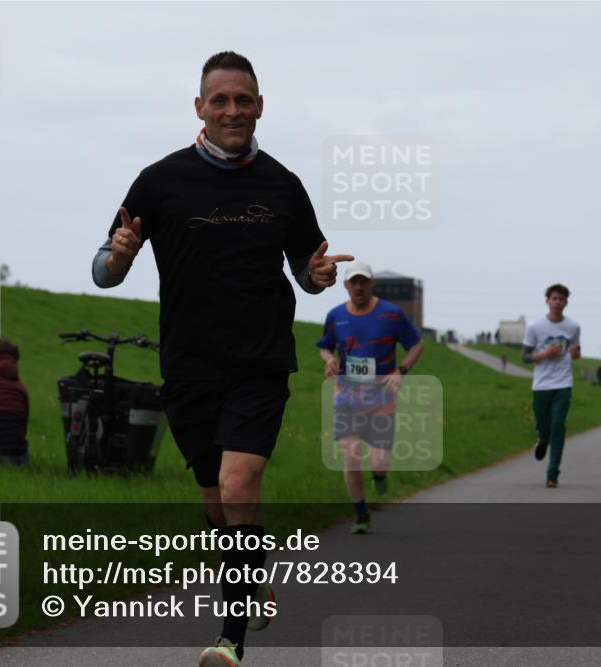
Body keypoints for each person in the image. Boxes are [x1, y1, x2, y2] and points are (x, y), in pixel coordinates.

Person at [90, 51, 351, 667]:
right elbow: (104, 270)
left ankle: (229, 638)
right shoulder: (159, 180)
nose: (233, 110)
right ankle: (250, 568)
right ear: (200, 107)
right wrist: (121, 254)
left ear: (260, 106)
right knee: (214, 498)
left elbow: (307, 273)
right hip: (188, 364)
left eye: (244, 99)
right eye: (221, 100)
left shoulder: (283, 185)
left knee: (239, 484)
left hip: (260, 359)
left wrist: (314, 278)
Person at [317, 261, 424, 535]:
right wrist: (329, 360)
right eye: (354, 282)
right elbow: (325, 347)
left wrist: (401, 371)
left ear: (372, 283)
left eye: (363, 281)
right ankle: (361, 515)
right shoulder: (335, 316)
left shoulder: (391, 314)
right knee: (350, 456)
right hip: (347, 397)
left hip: (381, 399)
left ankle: (380, 475)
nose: (359, 286)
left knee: (378, 461)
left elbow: (416, 343)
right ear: (346, 286)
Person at [522, 284, 581, 488]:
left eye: (561, 299)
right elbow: (525, 356)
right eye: (554, 298)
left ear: (566, 303)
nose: (557, 302)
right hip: (541, 384)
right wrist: (544, 354)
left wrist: (575, 354)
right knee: (544, 425)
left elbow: (576, 350)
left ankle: (552, 473)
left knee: (558, 424)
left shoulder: (573, 327)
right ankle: (542, 439)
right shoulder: (535, 327)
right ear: (547, 300)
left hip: (563, 382)